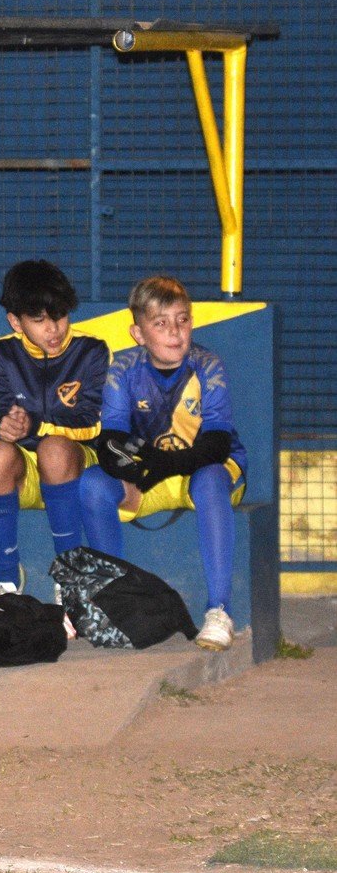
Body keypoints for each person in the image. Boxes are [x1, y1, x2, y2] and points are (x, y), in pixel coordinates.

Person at [79, 276, 246, 650]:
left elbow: (218, 443)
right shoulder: (122, 369)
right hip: (151, 476)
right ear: (138, 333)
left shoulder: (208, 366)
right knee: (92, 484)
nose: (175, 332)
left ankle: (220, 610)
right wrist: (132, 469)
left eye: (182, 320)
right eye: (161, 323)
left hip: (202, 471)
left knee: (210, 479)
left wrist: (162, 465)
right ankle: (116, 604)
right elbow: (112, 441)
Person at [0, 260, 109, 595]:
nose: (54, 329)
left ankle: (69, 576)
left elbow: (93, 424)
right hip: (27, 472)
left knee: (52, 448)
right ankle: (7, 580)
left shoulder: (91, 350)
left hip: (77, 462)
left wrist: (36, 424)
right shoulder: (2, 352)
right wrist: (4, 428)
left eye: (61, 316)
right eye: (39, 321)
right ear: (15, 322)